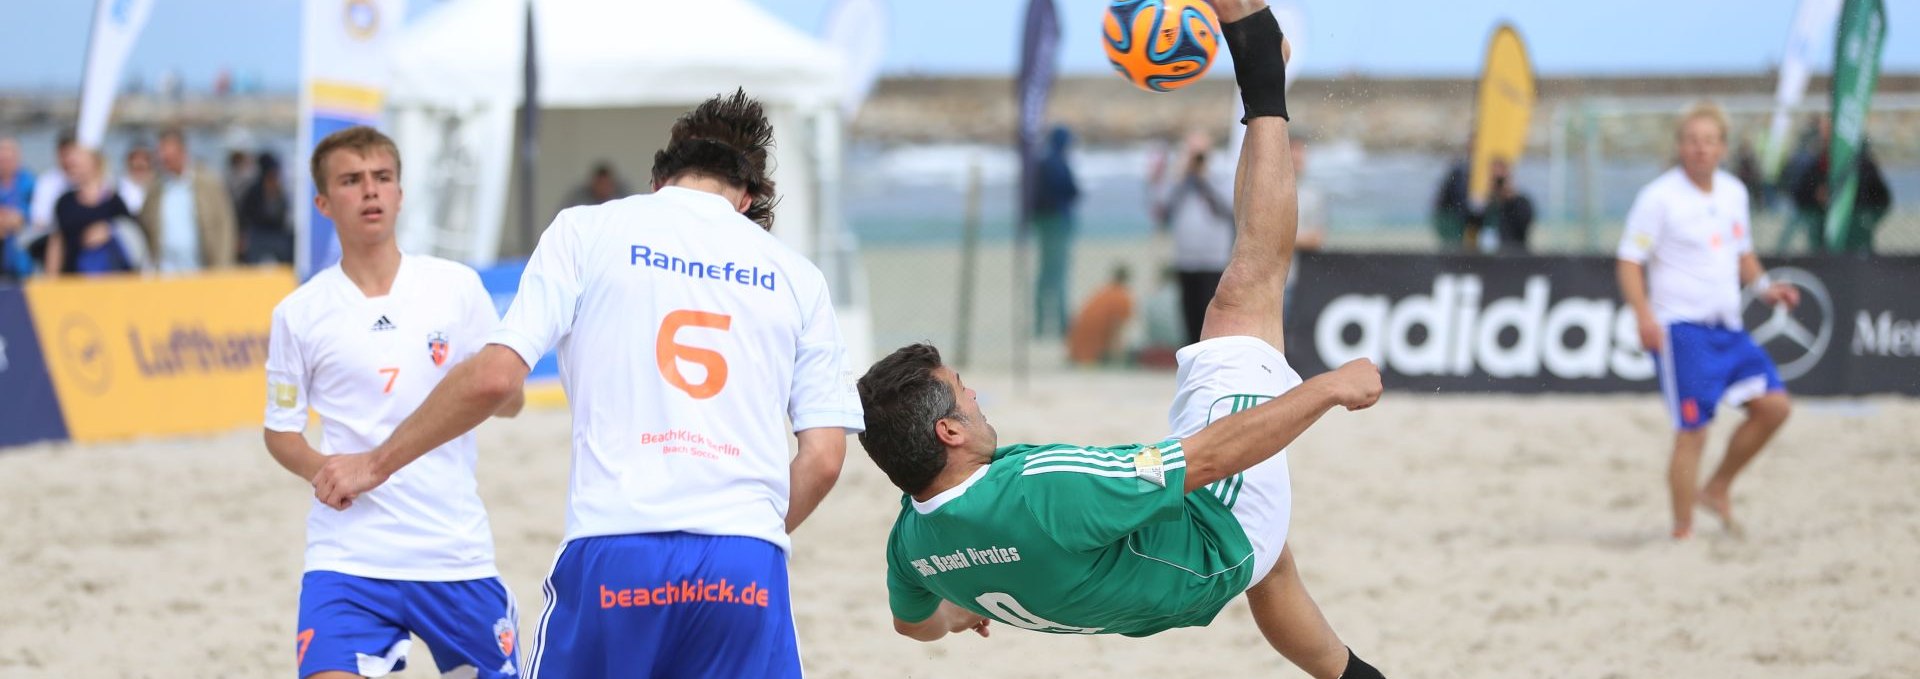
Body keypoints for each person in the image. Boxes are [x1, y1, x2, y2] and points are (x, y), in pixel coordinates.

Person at [857, 5, 1388, 677]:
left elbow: (914, 624)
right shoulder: (1040, 492)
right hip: (1212, 537)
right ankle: (1258, 54)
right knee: (1244, 297)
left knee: (1271, 566)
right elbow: (1207, 460)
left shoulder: (914, 541)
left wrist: (961, 610)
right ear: (950, 434)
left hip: (1155, 584)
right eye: (966, 392)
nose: (979, 396)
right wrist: (1328, 388)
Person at [309, 90, 863, 678]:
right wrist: (746, 530)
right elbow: (825, 459)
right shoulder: (799, 277)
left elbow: (496, 377)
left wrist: (375, 464)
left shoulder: (588, 229)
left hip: (617, 546)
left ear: (660, 179)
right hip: (744, 564)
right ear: (747, 198)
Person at [263, 126, 525, 679]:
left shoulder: (455, 287)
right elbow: (281, 431)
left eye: (383, 178)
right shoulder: (299, 313)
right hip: (348, 557)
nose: (370, 192)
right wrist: (329, 472)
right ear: (323, 202)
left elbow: (511, 399)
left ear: (401, 194)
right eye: (352, 181)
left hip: (451, 550)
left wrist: (473, 388)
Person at [1617, 102, 1798, 540]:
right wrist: (1643, 315)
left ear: (1722, 147)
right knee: (1693, 431)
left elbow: (1743, 254)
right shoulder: (1659, 197)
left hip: (1728, 327)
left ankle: (1716, 488)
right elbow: (1628, 260)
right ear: (1680, 146)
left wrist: (1764, 288)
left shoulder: (1733, 192)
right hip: (1681, 329)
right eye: (1692, 141)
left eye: (1709, 141)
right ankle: (1682, 531)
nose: (1700, 149)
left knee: (1775, 407)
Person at [1154, 132, 1232, 344]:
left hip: (1214, 259)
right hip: (1185, 259)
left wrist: (1205, 177)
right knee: (1189, 314)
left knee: (1213, 314)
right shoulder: (1179, 178)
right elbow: (1161, 207)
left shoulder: (1220, 173)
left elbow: (1230, 206)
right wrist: (1179, 175)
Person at [1786, 115, 1892, 254]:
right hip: (1822, 239)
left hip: (1856, 240)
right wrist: (1816, 197)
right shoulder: (1816, 166)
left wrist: (1864, 220)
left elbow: (1882, 199)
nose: (1824, 137)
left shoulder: (1862, 166)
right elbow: (1799, 196)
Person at [138, 126, 238, 273]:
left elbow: (225, 225)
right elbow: (146, 226)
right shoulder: (155, 188)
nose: (164, 158)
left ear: (182, 151)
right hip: (166, 271)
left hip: (202, 268)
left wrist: (223, 265)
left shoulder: (207, 183)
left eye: (168, 153)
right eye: (162, 153)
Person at [46, 147, 136, 277]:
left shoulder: (115, 202)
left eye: (79, 159)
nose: (73, 163)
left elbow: (133, 238)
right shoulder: (64, 202)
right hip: (71, 281)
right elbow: (56, 242)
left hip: (109, 282)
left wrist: (110, 230)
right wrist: (50, 280)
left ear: (95, 162)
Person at [1032, 125, 1080, 339]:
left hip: (1043, 223)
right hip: (1058, 223)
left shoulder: (1042, 163)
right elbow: (1072, 190)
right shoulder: (1058, 163)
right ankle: (1062, 324)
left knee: (1044, 274)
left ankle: (1041, 322)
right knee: (1057, 275)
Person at [1065, 265, 1134, 366]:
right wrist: (1118, 356)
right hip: (1094, 355)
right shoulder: (1123, 297)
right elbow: (1116, 331)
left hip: (1074, 350)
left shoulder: (1101, 292)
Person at [239, 152, 294, 264]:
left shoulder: (280, 191)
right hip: (258, 236)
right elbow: (245, 215)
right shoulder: (254, 191)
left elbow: (283, 214)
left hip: (277, 236)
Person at [0, 136, 36, 280]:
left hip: (22, 261)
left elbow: (32, 216)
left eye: (9, 156)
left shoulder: (30, 182)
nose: (5, 160)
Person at [1483, 157, 1534, 254]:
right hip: (1487, 260)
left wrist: (1510, 199)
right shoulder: (1486, 205)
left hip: (1513, 258)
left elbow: (1524, 225)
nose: (1498, 184)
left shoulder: (1521, 203)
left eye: (1500, 180)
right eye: (1495, 178)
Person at [1430, 140, 1472, 251]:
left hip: (1447, 214)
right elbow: (1459, 196)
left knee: (1453, 249)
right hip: (1449, 215)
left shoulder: (1462, 167)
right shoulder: (1460, 169)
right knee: (1453, 248)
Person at [557, 161, 629, 212]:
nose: (603, 188)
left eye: (607, 184)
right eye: (600, 184)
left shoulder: (623, 199)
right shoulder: (580, 198)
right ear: (593, 184)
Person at [118, 144, 155, 213]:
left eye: (141, 168)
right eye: (134, 168)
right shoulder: (118, 193)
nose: (138, 173)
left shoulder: (159, 190)